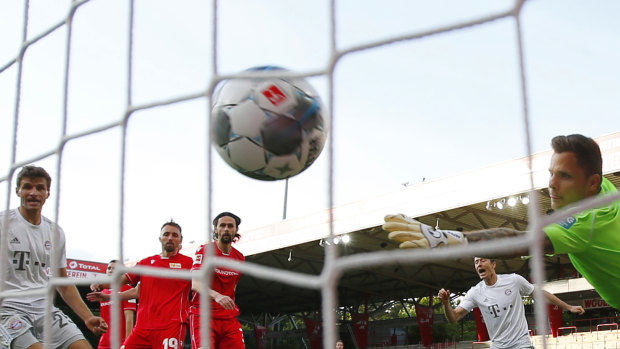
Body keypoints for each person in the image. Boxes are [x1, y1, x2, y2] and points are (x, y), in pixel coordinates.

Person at [384, 134, 620, 309]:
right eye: (552, 173)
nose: (551, 184)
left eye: (565, 176)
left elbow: (518, 242)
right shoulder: (603, 188)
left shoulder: (582, 223)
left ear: (591, 182)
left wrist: (449, 239)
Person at [0, 165, 107, 349]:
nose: (33, 193)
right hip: (8, 308)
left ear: (48, 193)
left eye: (40, 188)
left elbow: (62, 283)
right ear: (18, 190)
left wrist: (88, 317)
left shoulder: (54, 232)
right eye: (27, 187)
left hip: (43, 307)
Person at [87, 220, 193, 349]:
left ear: (180, 240)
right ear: (160, 238)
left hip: (171, 327)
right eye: (166, 234)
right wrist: (101, 286)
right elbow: (134, 290)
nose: (170, 238)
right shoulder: (146, 263)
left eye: (175, 235)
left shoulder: (189, 263)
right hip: (142, 328)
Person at [439, 257, 584, 349]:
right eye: (476, 262)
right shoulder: (475, 292)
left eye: (483, 260)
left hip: (521, 344)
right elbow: (454, 318)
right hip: (497, 346)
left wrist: (568, 307)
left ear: (493, 264)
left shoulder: (513, 280)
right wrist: (446, 304)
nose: (479, 264)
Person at [190, 212, 245, 349]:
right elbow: (195, 283)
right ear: (216, 229)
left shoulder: (239, 258)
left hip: (228, 318)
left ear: (236, 230)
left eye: (230, 226)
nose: (226, 229)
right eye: (222, 225)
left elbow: (233, 287)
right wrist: (217, 296)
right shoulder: (205, 250)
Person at [88, 260, 136, 349]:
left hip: (120, 343)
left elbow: (129, 318)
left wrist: (127, 343)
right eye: (109, 268)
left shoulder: (127, 289)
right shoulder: (103, 292)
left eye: (114, 268)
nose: (110, 270)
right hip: (103, 343)